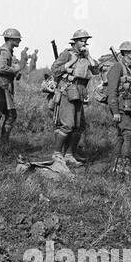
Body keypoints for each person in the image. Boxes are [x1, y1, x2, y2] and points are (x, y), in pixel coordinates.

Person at [49, 29, 99, 167]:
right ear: (75, 42)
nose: (84, 43)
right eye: (82, 40)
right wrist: (68, 65)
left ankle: (70, 154)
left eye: (86, 41)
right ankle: (57, 154)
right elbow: (54, 70)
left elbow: (96, 70)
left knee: (79, 126)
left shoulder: (85, 56)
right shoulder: (67, 54)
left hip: (79, 93)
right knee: (68, 125)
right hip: (67, 92)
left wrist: (88, 57)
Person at [104, 41, 131, 176]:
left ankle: (117, 166)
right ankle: (125, 165)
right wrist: (115, 111)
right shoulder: (117, 67)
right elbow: (111, 91)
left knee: (122, 136)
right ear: (124, 53)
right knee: (127, 134)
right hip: (121, 107)